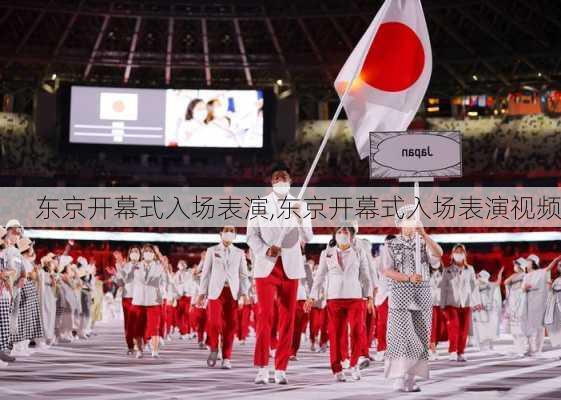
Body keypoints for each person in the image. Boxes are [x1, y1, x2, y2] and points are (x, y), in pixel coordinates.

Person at [247, 162, 313, 385]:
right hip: (267, 265)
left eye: (284, 179)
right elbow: (251, 235)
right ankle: (262, 367)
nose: (280, 182)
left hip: (291, 266)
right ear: (272, 182)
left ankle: (281, 368)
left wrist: (301, 217)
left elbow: (309, 236)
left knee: (288, 319)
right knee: (264, 317)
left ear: (290, 182)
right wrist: (266, 249)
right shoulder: (259, 204)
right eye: (277, 179)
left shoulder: (300, 205)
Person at [381, 205, 443, 392]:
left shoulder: (423, 243)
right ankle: (399, 376)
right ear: (400, 223)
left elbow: (439, 255)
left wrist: (424, 234)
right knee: (403, 338)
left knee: (421, 338)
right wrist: (408, 278)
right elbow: (387, 270)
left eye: (414, 219)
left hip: (422, 297)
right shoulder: (391, 244)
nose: (412, 223)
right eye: (408, 219)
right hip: (401, 297)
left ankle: (410, 378)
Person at [305, 224, 372, 382]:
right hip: (334, 298)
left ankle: (354, 364)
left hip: (355, 297)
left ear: (351, 236)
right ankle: (337, 368)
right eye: (340, 231)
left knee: (356, 331)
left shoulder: (358, 252)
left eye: (346, 231)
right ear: (335, 235)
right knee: (335, 334)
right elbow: (319, 277)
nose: (342, 233)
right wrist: (312, 297)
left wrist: (369, 296)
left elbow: (365, 275)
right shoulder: (326, 253)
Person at [195, 226, 250, 369]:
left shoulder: (239, 253)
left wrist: (244, 294)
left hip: (232, 293)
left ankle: (227, 357)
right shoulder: (212, 251)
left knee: (230, 326)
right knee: (214, 323)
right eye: (226, 230)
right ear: (220, 234)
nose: (229, 233)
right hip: (215, 292)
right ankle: (213, 347)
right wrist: (202, 293)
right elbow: (205, 273)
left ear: (235, 235)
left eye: (232, 231)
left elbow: (244, 275)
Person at [440, 244, 482, 362]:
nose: (459, 254)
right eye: (456, 252)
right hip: (450, 303)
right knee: (454, 326)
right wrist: (442, 305)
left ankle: (461, 352)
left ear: (464, 254)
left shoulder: (470, 269)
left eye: (461, 251)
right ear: (452, 255)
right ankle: (453, 351)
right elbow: (443, 288)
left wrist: (477, 302)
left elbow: (474, 287)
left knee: (464, 329)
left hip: (466, 302)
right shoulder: (447, 270)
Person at [10, 236, 43, 356]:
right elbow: (32, 276)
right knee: (22, 318)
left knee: (28, 319)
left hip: (27, 290)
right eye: (31, 246)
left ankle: (23, 345)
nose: (32, 249)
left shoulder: (25, 260)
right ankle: (18, 347)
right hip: (23, 290)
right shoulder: (20, 260)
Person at [131, 244, 165, 358]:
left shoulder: (158, 266)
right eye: (145, 251)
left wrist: (158, 252)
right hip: (138, 300)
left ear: (153, 254)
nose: (148, 253)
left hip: (153, 301)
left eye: (150, 252)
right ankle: (139, 350)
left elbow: (163, 265)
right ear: (142, 253)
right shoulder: (136, 266)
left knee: (154, 327)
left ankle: (155, 350)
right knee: (137, 328)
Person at [521, 254, 555, 357]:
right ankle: (531, 348)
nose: (526, 263)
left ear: (534, 263)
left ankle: (538, 349)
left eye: (528, 261)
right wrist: (525, 287)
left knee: (539, 326)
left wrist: (555, 260)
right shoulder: (526, 275)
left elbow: (548, 268)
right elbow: (523, 288)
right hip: (528, 302)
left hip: (539, 302)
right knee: (527, 324)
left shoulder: (540, 273)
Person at [109, 247, 140, 354]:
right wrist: (116, 273)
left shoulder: (143, 266)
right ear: (130, 254)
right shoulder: (126, 266)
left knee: (139, 322)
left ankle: (139, 343)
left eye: (136, 252)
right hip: (127, 297)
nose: (134, 254)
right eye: (133, 252)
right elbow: (121, 283)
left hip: (140, 298)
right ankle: (130, 346)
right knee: (128, 324)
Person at [372, 235, 395, 362]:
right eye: (387, 245)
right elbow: (373, 274)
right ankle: (381, 349)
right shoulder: (378, 260)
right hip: (383, 295)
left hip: (398, 295)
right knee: (382, 323)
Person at [472, 268, 504, 351]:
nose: (478, 277)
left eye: (479, 276)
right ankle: (482, 344)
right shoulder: (474, 286)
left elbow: (498, 283)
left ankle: (489, 344)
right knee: (480, 327)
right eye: (478, 276)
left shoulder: (490, 285)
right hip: (479, 310)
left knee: (490, 326)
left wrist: (500, 274)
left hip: (489, 310)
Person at [504, 257, 528, 356]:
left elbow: (506, 282)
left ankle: (521, 349)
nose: (514, 266)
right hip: (512, 302)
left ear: (520, 266)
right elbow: (506, 283)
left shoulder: (524, 276)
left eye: (516, 264)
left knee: (520, 328)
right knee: (514, 328)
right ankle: (518, 348)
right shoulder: (515, 275)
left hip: (520, 302)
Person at [0, 227, 16, 366]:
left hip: (3, 291)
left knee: (4, 321)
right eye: (5, 237)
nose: (7, 240)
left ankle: (3, 350)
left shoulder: (4, 254)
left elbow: (10, 270)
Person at [429, 261, 445, 360]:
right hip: (429, 303)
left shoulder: (443, 273)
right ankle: (431, 348)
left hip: (440, 303)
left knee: (440, 327)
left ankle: (434, 346)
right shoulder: (425, 272)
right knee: (432, 326)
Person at [544, 255, 561, 349]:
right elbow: (552, 292)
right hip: (556, 308)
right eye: (559, 265)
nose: (559, 267)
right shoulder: (557, 280)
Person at [175, 260, 194, 339]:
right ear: (178, 265)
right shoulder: (177, 274)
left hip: (188, 295)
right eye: (180, 263)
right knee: (178, 315)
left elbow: (191, 282)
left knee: (187, 314)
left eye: (183, 263)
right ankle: (183, 331)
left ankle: (188, 332)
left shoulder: (189, 272)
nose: (182, 265)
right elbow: (175, 284)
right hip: (180, 296)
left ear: (186, 265)